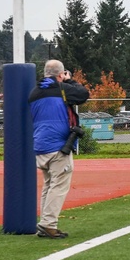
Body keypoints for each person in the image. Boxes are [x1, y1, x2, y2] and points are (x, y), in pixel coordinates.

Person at [29, 60, 90, 239]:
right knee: (59, 185)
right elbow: (83, 94)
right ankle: (48, 224)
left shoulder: (35, 92)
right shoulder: (62, 89)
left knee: (49, 184)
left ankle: (45, 222)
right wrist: (69, 81)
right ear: (60, 74)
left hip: (41, 144)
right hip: (59, 146)